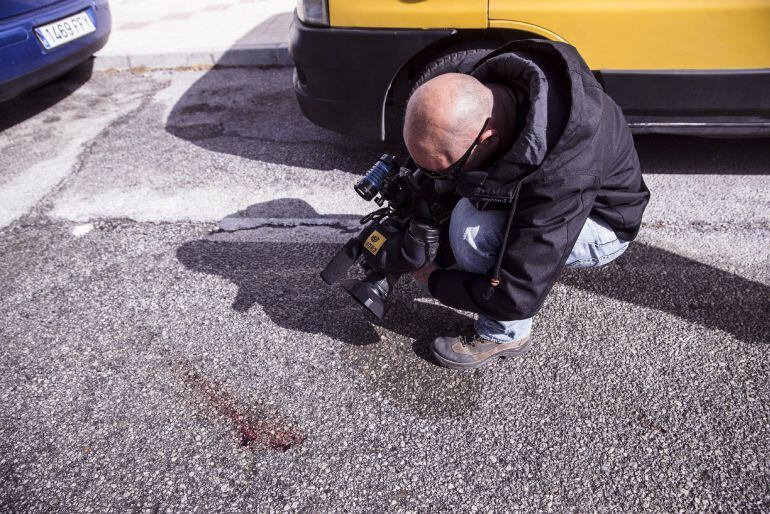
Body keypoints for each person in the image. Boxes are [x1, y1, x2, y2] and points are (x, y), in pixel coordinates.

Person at [404, 40, 650, 370]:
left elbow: (517, 292)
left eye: (447, 168)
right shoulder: (478, 84)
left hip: (602, 221)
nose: (440, 176)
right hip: (555, 195)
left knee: (471, 229)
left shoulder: (564, 169)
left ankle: (504, 335)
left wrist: (433, 278)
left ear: (486, 137)